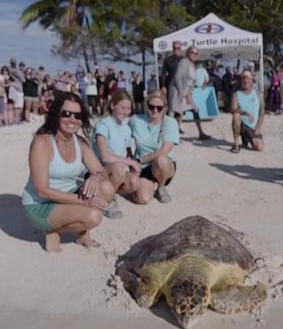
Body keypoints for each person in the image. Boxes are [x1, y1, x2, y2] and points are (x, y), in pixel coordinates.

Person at [22, 91, 115, 253]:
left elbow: (103, 172)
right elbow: (42, 191)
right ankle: (52, 230)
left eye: (77, 115)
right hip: (40, 204)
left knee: (106, 188)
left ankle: (81, 233)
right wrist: (84, 202)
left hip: (67, 195)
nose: (72, 119)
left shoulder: (80, 142)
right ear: (56, 114)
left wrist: (95, 176)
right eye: (66, 113)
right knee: (93, 216)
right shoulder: (42, 142)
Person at [93, 91, 142, 217]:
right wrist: (130, 162)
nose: (125, 112)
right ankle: (107, 200)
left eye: (128, 108)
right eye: (122, 107)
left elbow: (126, 152)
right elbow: (105, 156)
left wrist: (133, 167)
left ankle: (108, 192)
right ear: (113, 105)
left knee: (135, 182)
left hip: (114, 171)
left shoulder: (126, 128)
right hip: (98, 171)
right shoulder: (103, 124)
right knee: (119, 167)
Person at [129, 90, 179, 204]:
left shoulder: (170, 122)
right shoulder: (135, 120)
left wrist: (139, 160)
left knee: (161, 160)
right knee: (142, 199)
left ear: (165, 108)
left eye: (159, 107)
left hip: (164, 165)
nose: (155, 110)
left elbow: (164, 150)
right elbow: (124, 137)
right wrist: (129, 158)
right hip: (143, 167)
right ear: (146, 106)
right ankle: (149, 184)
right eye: (151, 107)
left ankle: (161, 187)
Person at [168, 46, 211, 139]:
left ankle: (201, 133)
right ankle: (168, 136)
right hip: (177, 91)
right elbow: (177, 77)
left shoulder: (192, 65)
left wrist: (189, 94)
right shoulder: (184, 62)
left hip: (186, 93)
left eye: (196, 53)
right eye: (192, 52)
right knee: (174, 113)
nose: (194, 54)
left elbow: (192, 82)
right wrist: (180, 92)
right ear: (188, 53)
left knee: (195, 109)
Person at [230, 69, 265, 153]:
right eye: (244, 78)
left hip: (253, 126)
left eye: (248, 78)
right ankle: (236, 144)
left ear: (252, 79)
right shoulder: (236, 94)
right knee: (236, 115)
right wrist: (244, 113)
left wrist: (258, 126)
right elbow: (232, 109)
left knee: (259, 147)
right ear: (241, 79)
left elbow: (262, 111)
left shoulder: (258, 94)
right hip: (242, 123)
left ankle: (246, 139)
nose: (246, 80)